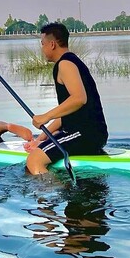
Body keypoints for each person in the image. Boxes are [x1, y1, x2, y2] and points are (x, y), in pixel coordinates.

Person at [25, 22, 108, 175]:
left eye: (42, 44)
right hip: (91, 133)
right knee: (51, 141)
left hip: (84, 134)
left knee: (33, 160)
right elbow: (67, 114)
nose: (42, 49)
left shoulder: (65, 64)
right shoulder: (73, 61)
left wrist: (46, 116)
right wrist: (41, 140)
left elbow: (79, 99)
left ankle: (61, 191)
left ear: (52, 44)